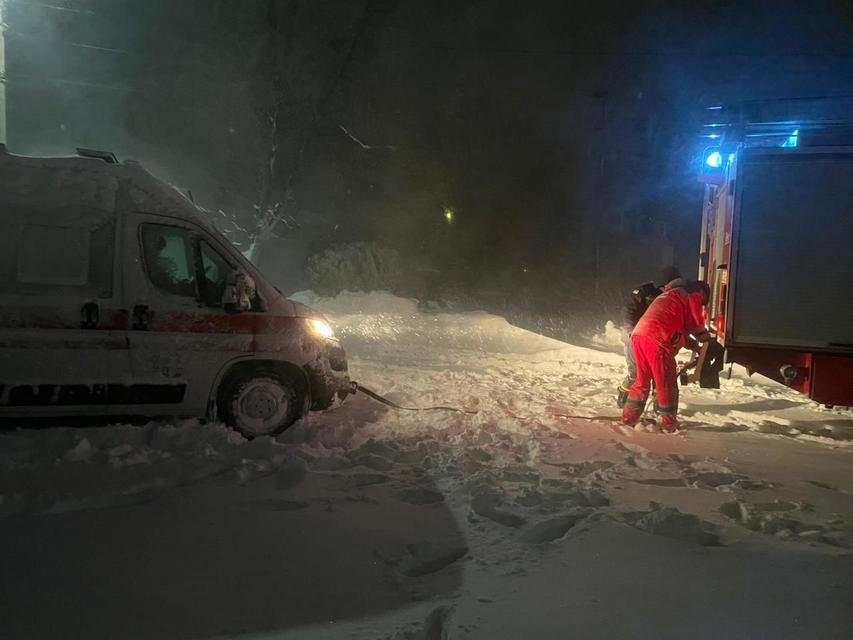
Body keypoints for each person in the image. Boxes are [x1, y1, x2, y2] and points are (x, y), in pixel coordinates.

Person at [622, 278, 712, 433]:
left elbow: (678, 329)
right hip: (658, 339)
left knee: (642, 380)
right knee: (666, 384)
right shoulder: (692, 293)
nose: (701, 305)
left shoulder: (670, 295)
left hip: (639, 336)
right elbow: (695, 323)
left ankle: (628, 418)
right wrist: (705, 338)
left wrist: (695, 346)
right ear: (702, 293)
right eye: (703, 302)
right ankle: (668, 425)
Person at [616, 266, 683, 408]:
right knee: (637, 373)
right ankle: (625, 398)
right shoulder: (644, 292)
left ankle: (659, 405)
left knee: (659, 375)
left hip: (657, 340)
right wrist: (632, 331)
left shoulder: (674, 297)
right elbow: (628, 311)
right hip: (635, 336)